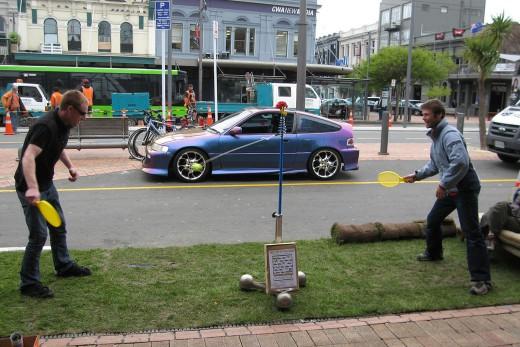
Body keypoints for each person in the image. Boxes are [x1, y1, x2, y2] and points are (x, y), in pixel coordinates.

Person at [403, 99, 491, 295]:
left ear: (439, 115)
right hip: (451, 189)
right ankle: (434, 253)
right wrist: (416, 175)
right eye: (423, 114)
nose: (423, 118)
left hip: (465, 189)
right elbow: (435, 165)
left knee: (472, 233)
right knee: (432, 221)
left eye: (426, 114)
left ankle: (482, 280)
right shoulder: (436, 136)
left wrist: (444, 184)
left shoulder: (449, 135)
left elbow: (460, 163)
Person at [15, 90, 91, 298]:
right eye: (82, 113)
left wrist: (70, 166)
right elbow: (28, 157)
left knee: (58, 226)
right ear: (69, 109)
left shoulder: (65, 124)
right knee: (38, 235)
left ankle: (63, 265)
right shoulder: (45, 126)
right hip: (29, 187)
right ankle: (29, 283)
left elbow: (58, 147)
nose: (84, 118)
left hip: (47, 184)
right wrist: (32, 187)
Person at [480, 187, 520, 251]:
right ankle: (490, 239)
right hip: (512, 212)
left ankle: (488, 237)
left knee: (490, 215)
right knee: (498, 209)